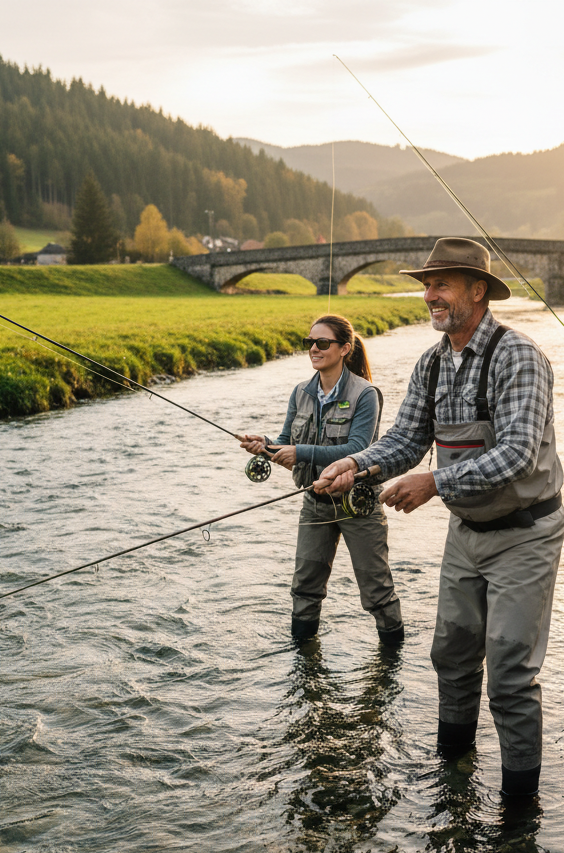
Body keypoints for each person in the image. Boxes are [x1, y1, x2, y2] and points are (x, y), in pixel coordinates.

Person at [314, 238, 564, 800]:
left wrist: (435, 482)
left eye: (441, 284)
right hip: (467, 531)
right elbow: (405, 439)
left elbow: (519, 454)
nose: (429, 295)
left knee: (508, 674)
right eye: (426, 285)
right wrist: (354, 464)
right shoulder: (431, 361)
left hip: (527, 535)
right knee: (450, 654)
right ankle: (454, 782)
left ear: (478, 291)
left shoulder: (519, 356)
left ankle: (516, 817)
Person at [239, 313, 404, 646]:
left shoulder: (366, 394)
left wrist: (300, 452)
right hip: (314, 505)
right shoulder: (301, 392)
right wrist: (265, 446)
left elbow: (358, 449)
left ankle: (390, 662)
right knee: (305, 588)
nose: (314, 348)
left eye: (322, 343)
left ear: (344, 348)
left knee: (377, 592)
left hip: (357, 506)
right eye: (309, 342)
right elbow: (287, 441)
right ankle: (303, 664)